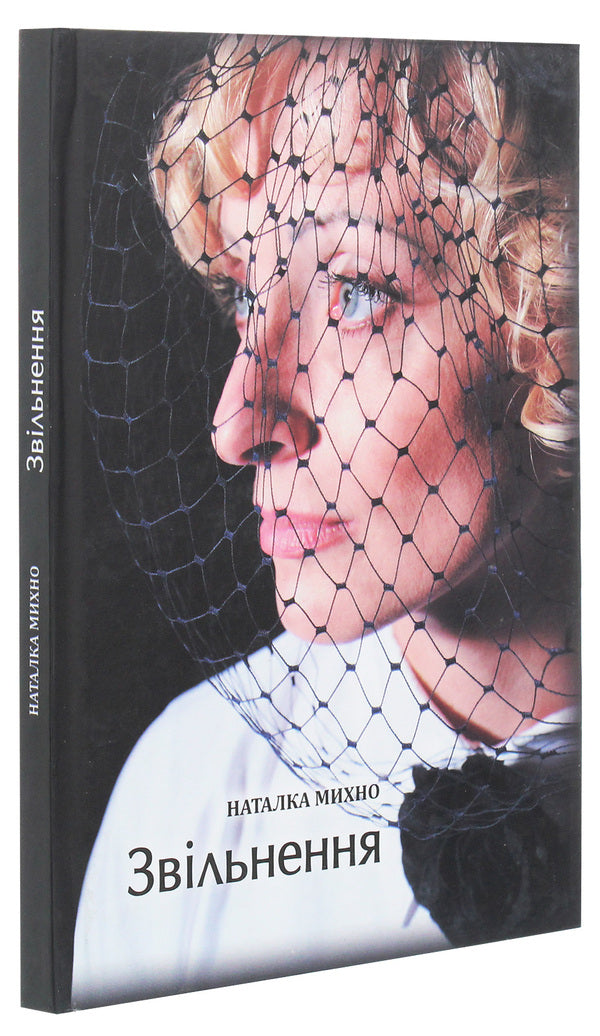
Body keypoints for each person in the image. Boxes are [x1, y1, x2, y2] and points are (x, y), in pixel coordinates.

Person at [72, 35, 579, 1008]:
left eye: (354, 294)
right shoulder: (190, 797)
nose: (237, 422)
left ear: (556, 316)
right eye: (245, 294)